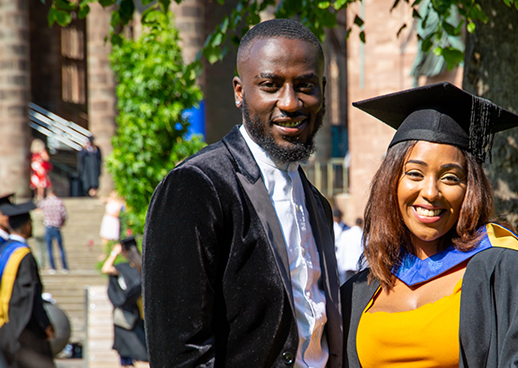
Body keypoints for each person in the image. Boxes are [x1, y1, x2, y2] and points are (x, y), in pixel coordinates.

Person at [342, 82, 518, 367]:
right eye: (414, 173)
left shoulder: (510, 276)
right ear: (391, 182)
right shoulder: (360, 291)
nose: (430, 192)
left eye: (451, 177)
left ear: (470, 189)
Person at [143, 19, 342, 367]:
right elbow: (180, 353)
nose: (291, 102)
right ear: (239, 91)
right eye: (270, 85)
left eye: (305, 85)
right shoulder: (197, 186)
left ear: (323, 90)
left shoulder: (316, 203)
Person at [0, 201, 55, 368]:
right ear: (28, 226)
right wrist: (45, 324)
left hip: (0, 322)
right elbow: (31, 294)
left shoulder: (2, 250)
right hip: (23, 327)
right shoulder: (23, 255)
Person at [103, 236, 147, 367]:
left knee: (127, 350)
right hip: (139, 313)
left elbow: (106, 269)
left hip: (126, 315)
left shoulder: (126, 268)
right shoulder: (141, 266)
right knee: (140, 348)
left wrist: (113, 253)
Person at [37, 187, 68, 274]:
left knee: (49, 248)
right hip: (57, 227)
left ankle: (52, 267)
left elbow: (38, 210)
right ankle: (64, 267)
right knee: (60, 248)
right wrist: (62, 223)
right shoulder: (59, 202)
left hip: (48, 226)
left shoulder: (44, 202)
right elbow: (64, 214)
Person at [336, 218, 364, 284]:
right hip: (358, 267)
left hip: (347, 266)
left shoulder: (345, 234)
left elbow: (340, 251)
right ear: (361, 224)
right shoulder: (362, 235)